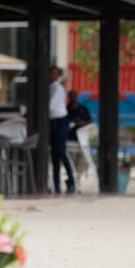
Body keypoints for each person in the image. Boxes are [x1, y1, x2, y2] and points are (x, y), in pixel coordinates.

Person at [49, 66, 75, 194]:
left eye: (55, 73)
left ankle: (71, 182)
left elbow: (50, 107)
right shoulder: (50, 87)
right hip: (53, 122)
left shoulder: (57, 88)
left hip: (60, 122)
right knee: (54, 155)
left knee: (61, 152)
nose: (52, 76)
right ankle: (56, 185)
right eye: (51, 73)